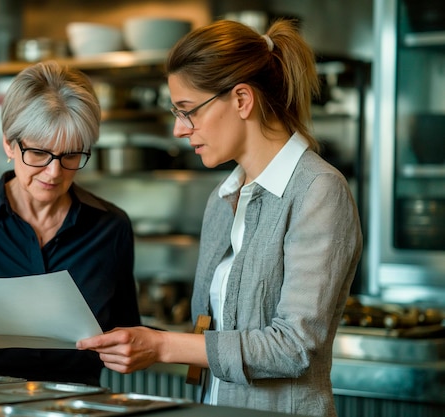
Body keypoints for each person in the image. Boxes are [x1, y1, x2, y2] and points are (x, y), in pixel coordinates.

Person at [76, 19, 363, 417]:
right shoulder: (223, 198)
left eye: (188, 111)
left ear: (242, 100)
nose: (179, 129)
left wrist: (162, 345)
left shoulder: (318, 190)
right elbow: (210, 332)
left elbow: (294, 347)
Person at [0, 61, 141, 386]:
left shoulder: (111, 228)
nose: (54, 172)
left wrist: (131, 348)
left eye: (71, 155)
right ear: (9, 143)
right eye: (38, 153)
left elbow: (127, 331)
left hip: (77, 407)